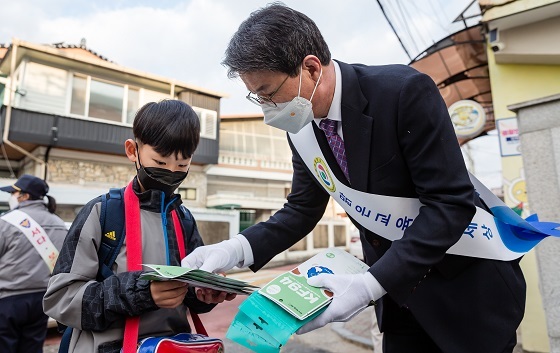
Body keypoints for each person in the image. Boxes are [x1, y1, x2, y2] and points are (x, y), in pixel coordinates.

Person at [182, 3, 526, 353]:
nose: (267, 108)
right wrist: (233, 250)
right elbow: (301, 209)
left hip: (466, 295)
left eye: (269, 93)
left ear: (311, 68)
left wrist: (367, 285)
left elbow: (449, 204)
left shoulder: (403, 92)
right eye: (257, 97)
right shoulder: (301, 127)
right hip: (400, 306)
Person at [43, 100, 235, 353]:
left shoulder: (183, 219)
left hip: (168, 346)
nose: (171, 172)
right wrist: (144, 293)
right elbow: (60, 300)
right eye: (160, 162)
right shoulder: (102, 213)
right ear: (133, 151)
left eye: (182, 165)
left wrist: (203, 294)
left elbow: (187, 293)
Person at [0, 174, 67, 353]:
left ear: (25, 196)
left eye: (14, 192)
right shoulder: (59, 223)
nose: (11, 197)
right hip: (42, 299)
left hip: (8, 299)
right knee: (32, 348)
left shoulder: (6, 222)